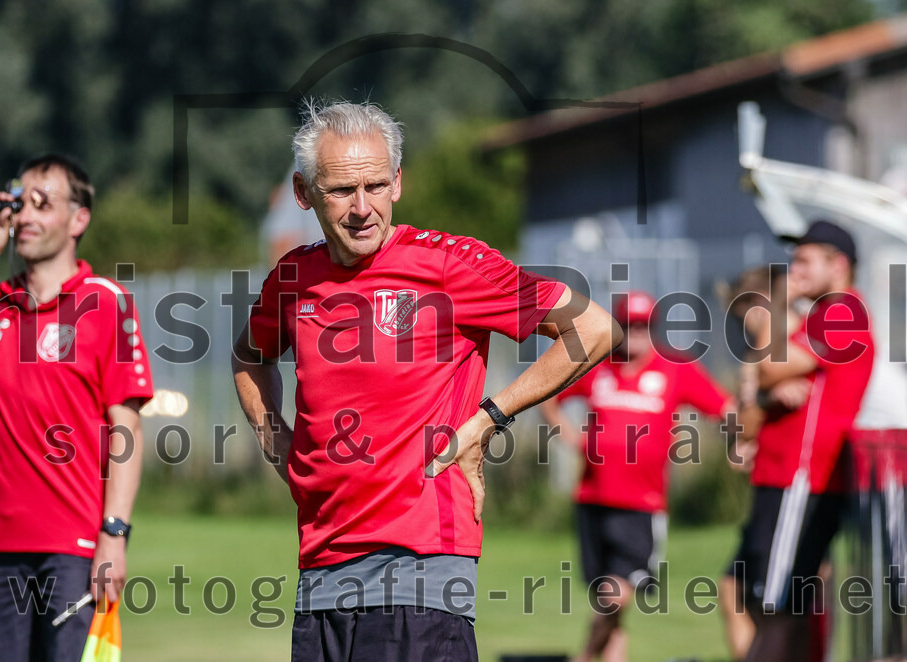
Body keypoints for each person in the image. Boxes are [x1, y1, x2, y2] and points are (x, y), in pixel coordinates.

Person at [232, 100, 621, 661]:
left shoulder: (448, 265)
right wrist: (278, 443)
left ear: (397, 183)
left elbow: (592, 328)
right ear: (304, 192)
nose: (361, 208)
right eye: (342, 191)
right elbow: (250, 355)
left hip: (421, 565)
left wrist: (487, 420)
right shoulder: (293, 277)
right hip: (320, 563)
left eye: (374, 186)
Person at [0, 154, 153, 662]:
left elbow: (126, 431)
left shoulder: (106, 302)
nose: (27, 217)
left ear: (79, 218)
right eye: (20, 204)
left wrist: (115, 533)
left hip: (74, 545)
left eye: (43, 203)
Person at [538, 290, 735, 662]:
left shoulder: (675, 369)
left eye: (643, 327)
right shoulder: (598, 365)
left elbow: (725, 408)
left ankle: (582, 657)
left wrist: (741, 444)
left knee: (616, 597)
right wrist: (566, 433)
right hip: (592, 499)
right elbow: (548, 394)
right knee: (606, 601)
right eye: (628, 326)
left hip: (641, 505)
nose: (636, 334)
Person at [728, 220, 875, 662]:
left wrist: (776, 304)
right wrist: (762, 382)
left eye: (807, 260)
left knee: (775, 610)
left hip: (802, 479)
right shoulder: (820, 314)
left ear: (840, 264)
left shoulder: (843, 312)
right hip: (782, 477)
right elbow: (755, 379)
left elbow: (766, 366)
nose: (796, 270)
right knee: (773, 605)